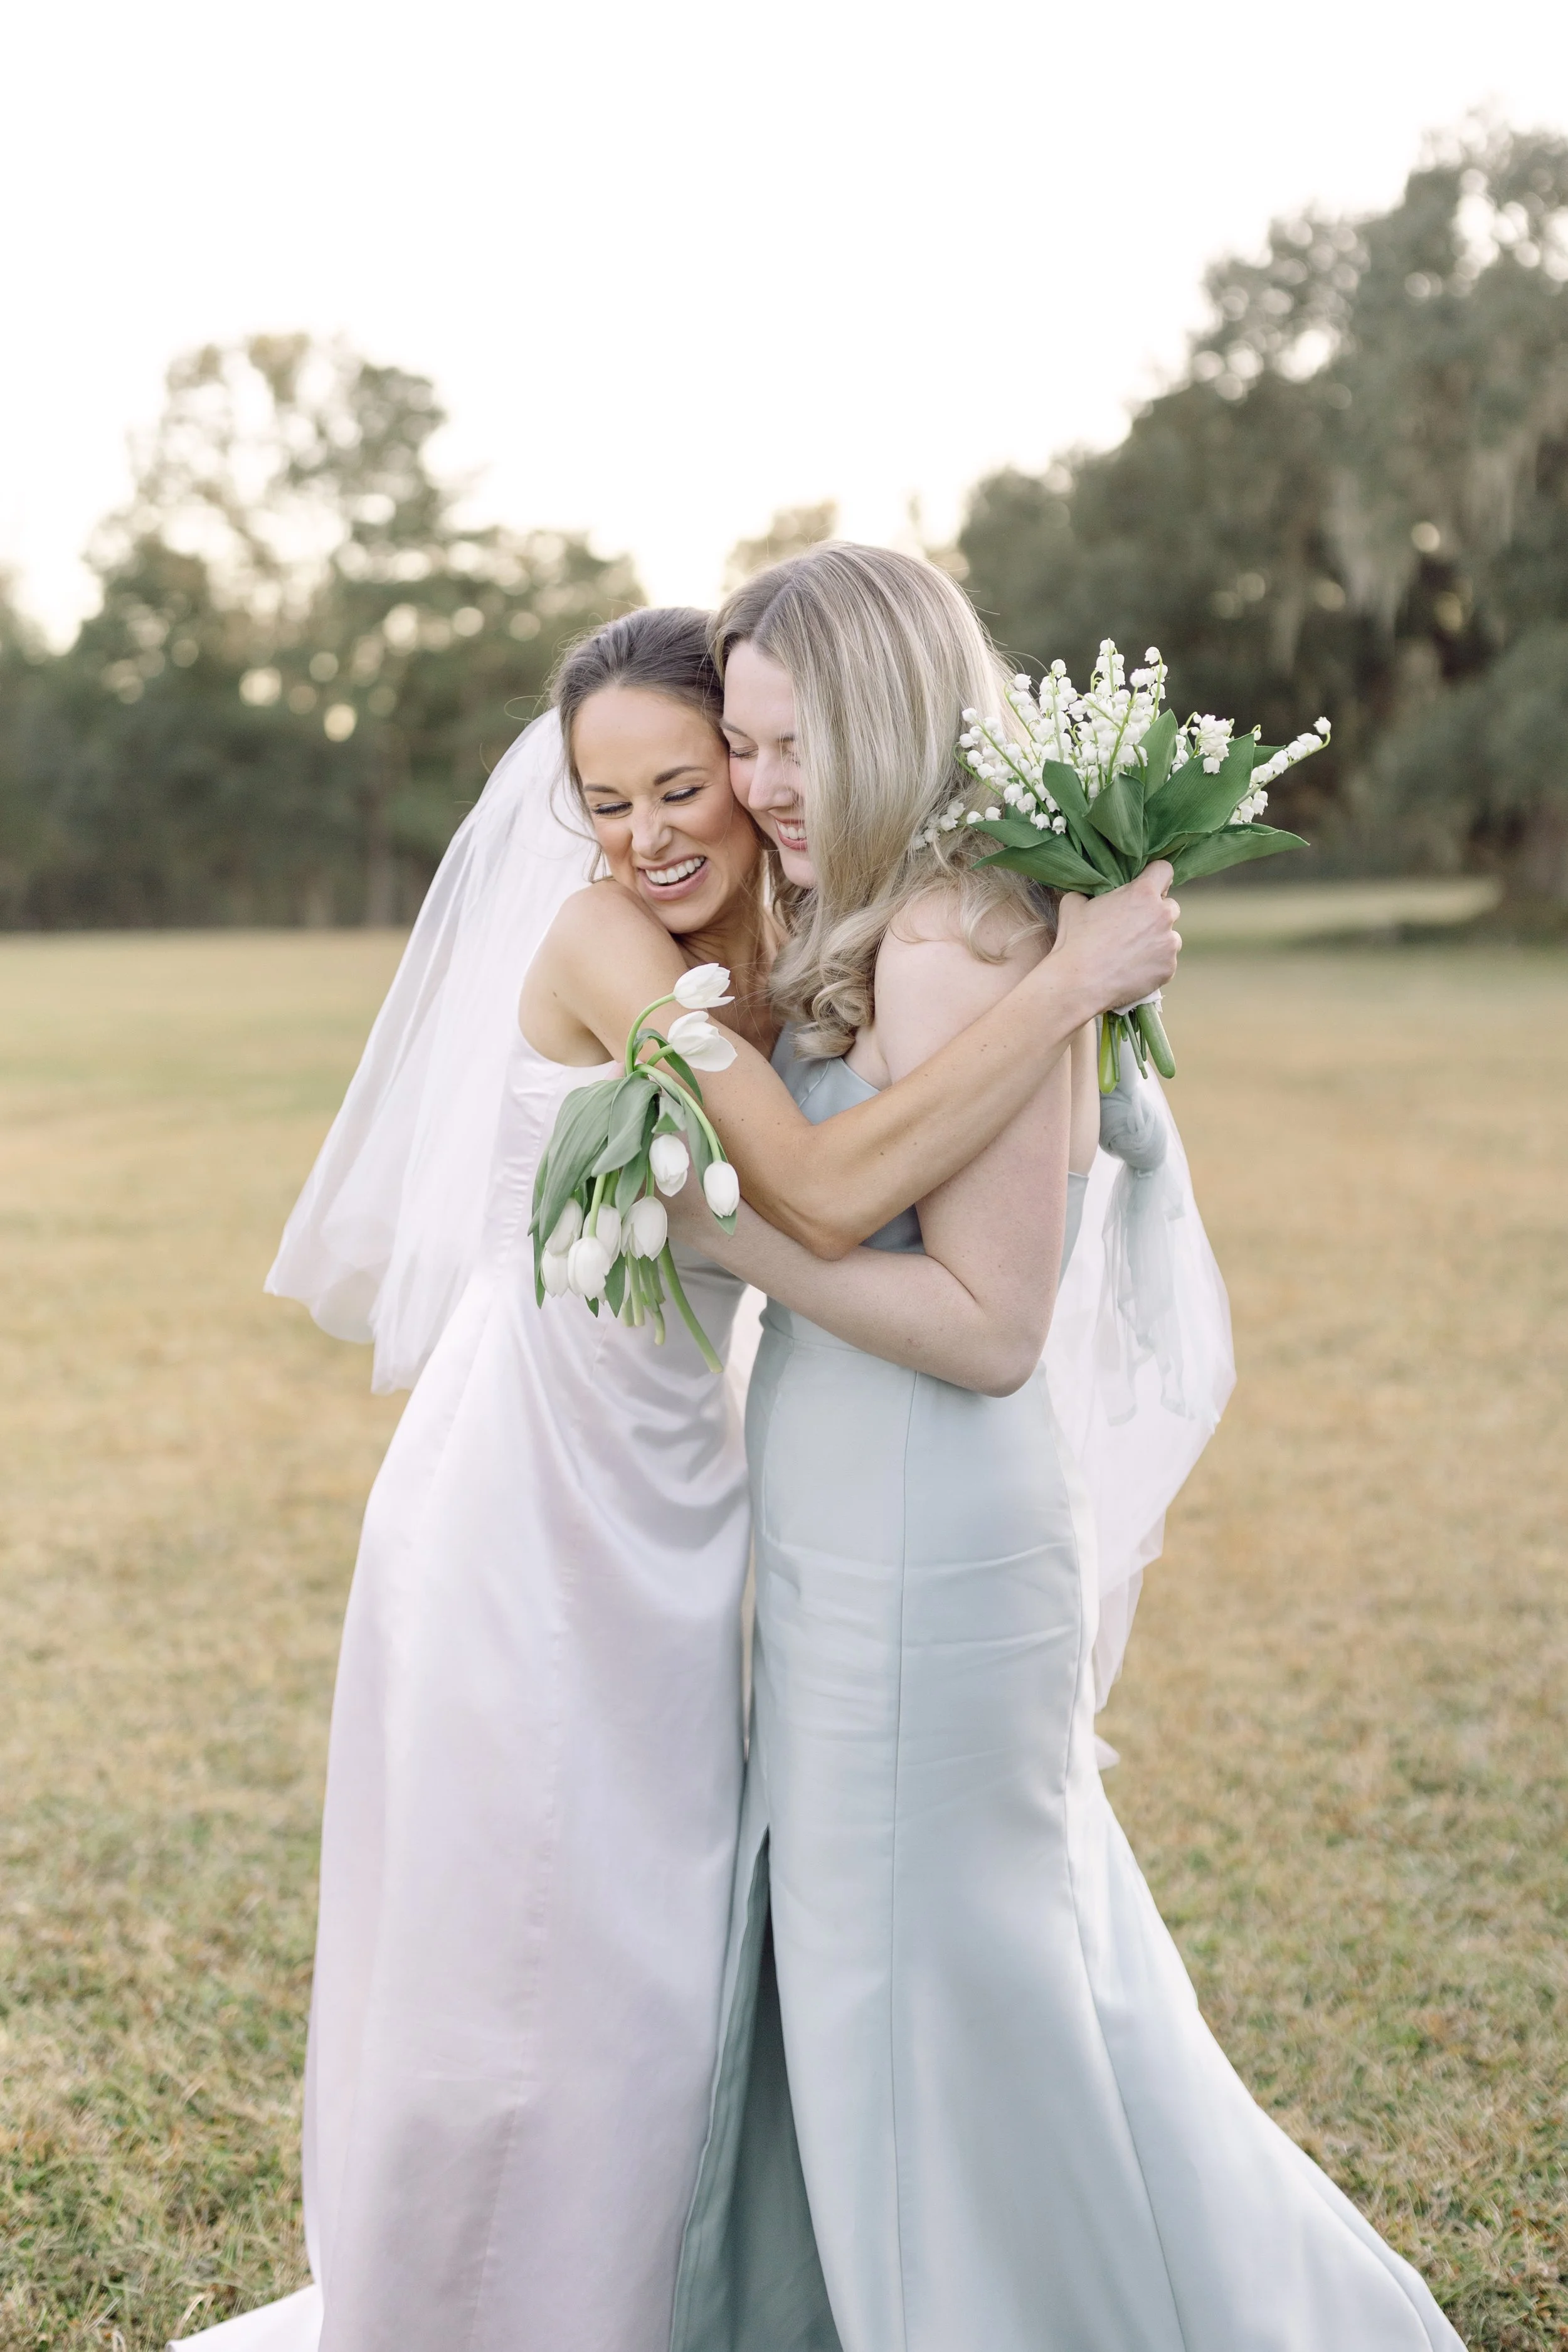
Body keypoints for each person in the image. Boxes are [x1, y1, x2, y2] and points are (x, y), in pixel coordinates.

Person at [179, 603, 1182, 2352]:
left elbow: (921, 1141)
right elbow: (819, 1190)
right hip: (526, 1488)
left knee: (655, 1927)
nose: (645, 833)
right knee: (514, 1916)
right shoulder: (603, 946)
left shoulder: (802, 935)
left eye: (682, 784)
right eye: (605, 799)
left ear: (755, 764)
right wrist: (1065, 990)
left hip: (685, 1486)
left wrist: (1055, 1002)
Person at [665, 545, 1465, 2352]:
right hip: (849, 1514)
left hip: (925, 1537)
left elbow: (991, 1328)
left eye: (793, 744)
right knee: (911, 1968)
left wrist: (732, 1239)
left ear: (888, 721)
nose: (759, 786)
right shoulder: (879, 915)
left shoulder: (957, 941)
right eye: (742, 743)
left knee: (945, 1983)